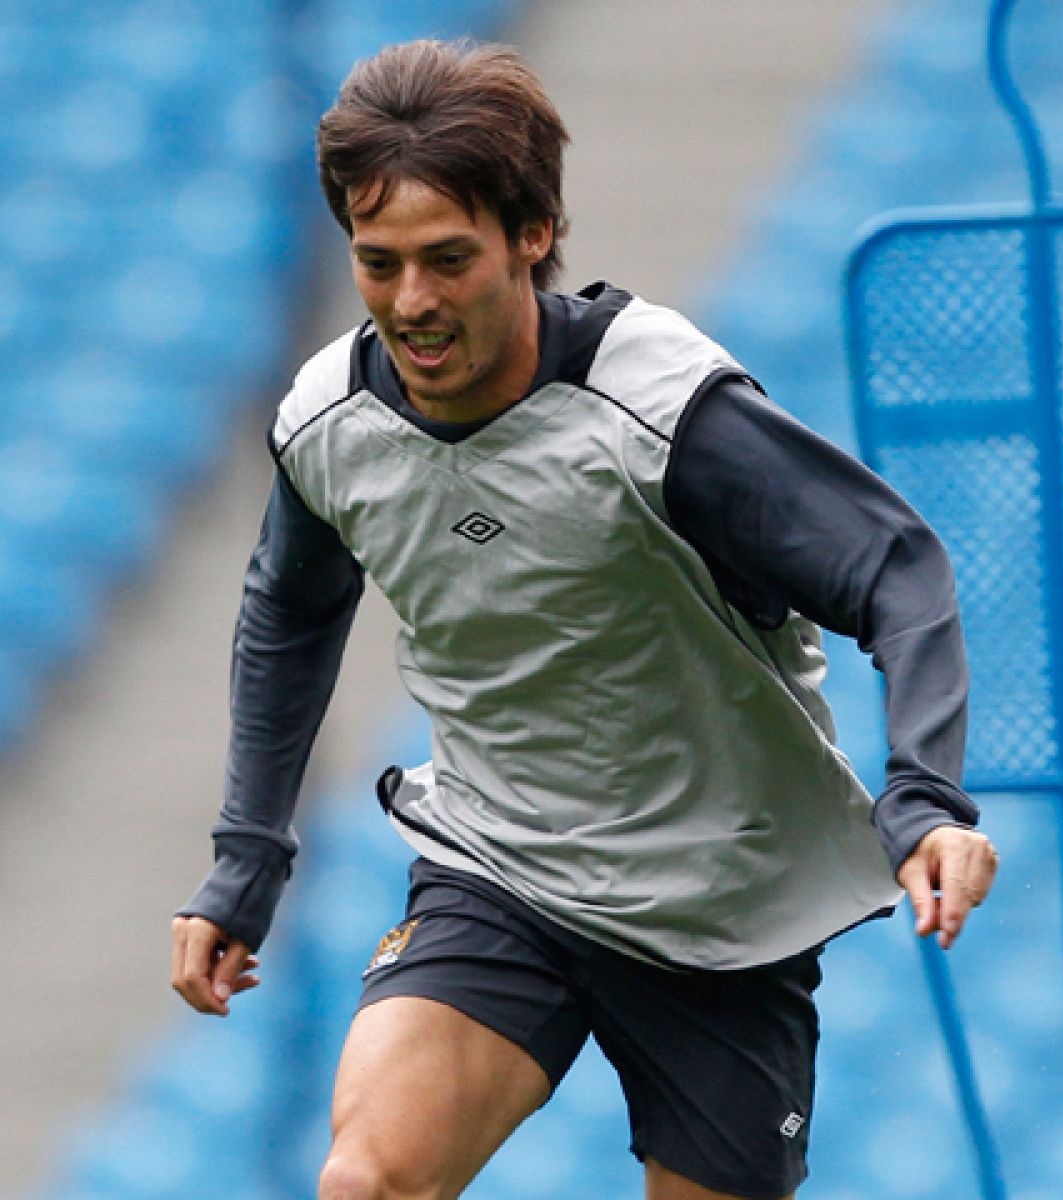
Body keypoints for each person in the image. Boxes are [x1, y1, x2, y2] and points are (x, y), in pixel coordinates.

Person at [170, 38, 997, 1200]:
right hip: (500, 863)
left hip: (727, 909)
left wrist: (925, 801)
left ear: (534, 234)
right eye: (378, 263)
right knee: (366, 1183)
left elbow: (897, 568)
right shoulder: (326, 423)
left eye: (448, 259)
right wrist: (246, 860)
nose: (412, 304)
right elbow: (289, 613)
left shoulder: (660, 409)